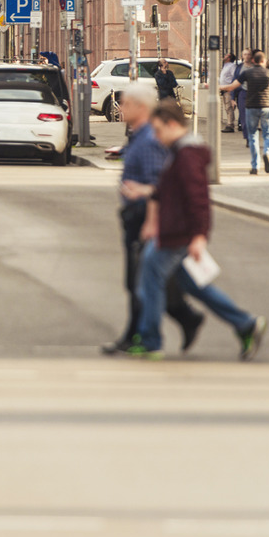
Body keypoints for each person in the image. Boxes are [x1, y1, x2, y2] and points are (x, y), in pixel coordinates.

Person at [128, 99, 267, 360]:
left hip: (177, 234)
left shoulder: (187, 155)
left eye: (158, 130)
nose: (156, 138)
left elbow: (198, 199)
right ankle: (246, 324)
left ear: (171, 124)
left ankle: (150, 340)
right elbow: (173, 191)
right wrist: (148, 191)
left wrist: (200, 236)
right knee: (196, 287)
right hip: (176, 232)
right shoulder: (180, 151)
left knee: (150, 278)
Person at [102, 84, 204, 357]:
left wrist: (150, 222)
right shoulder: (141, 135)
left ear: (141, 107)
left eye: (124, 103)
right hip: (136, 215)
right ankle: (184, 319)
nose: (120, 108)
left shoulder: (149, 139)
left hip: (142, 217)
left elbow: (156, 184)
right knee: (151, 280)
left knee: (141, 282)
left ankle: (140, 336)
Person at [220, 51, 269, 175]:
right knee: (268, 133)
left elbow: (231, 87)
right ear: (264, 61)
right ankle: (268, 153)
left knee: (252, 136)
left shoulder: (246, 73)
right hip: (266, 107)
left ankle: (255, 165)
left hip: (251, 106)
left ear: (253, 61)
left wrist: (215, 87)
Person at [218, 53, 239, 132]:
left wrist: (232, 87)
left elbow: (234, 77)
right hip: (224, 89)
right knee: (227, 107)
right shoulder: (225, 66)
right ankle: (229, 123)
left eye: (226, 55)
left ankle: (230, 124)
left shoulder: (232, 66)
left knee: (229, 107)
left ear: (229, 58)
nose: (224, 56)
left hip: (229, 88)